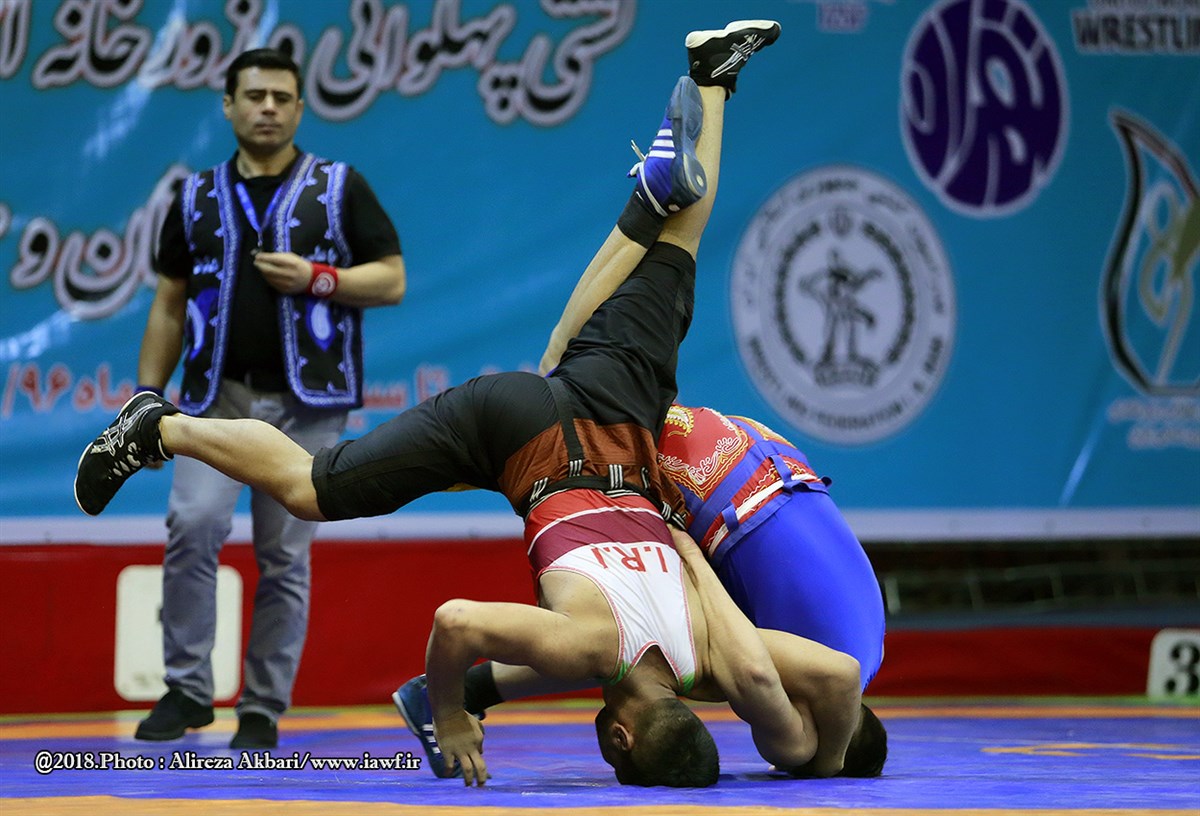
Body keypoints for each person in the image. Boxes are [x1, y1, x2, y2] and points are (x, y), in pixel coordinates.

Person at [76, 20, 882, 787]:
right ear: (620, 737)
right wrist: (452, 714)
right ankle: (164, 429)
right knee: (308, 485)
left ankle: (710, 87)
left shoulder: (710, 650)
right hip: (520, 434)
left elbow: (839, 676)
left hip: (617, 421)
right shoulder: (591, 650)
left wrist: (817, 761)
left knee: (679, 244)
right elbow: (455, 621)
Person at [125, 47, 406, 749]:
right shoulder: (193, 195)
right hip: (213, 400)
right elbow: (168, 303)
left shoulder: (339, 187)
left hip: (306, 407)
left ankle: (262, 708)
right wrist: (146, 399)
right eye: (255, 96)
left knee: (285, 555)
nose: (269, 108)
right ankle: (188, 690)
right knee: (192, 527)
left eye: (282, 97)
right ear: (228, 105)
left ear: (301, 107)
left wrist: (319, 278)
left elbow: (392, 278)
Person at [394, 401, 886, 775]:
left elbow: (821, 672)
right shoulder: (758, 689)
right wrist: (820, 768)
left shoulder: (857, 650)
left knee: (623, 652)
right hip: (659, 482)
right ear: (620, 738)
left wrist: (690, 557)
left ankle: (474, 687)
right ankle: (465, 689)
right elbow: (759, 677)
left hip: (753, 456)